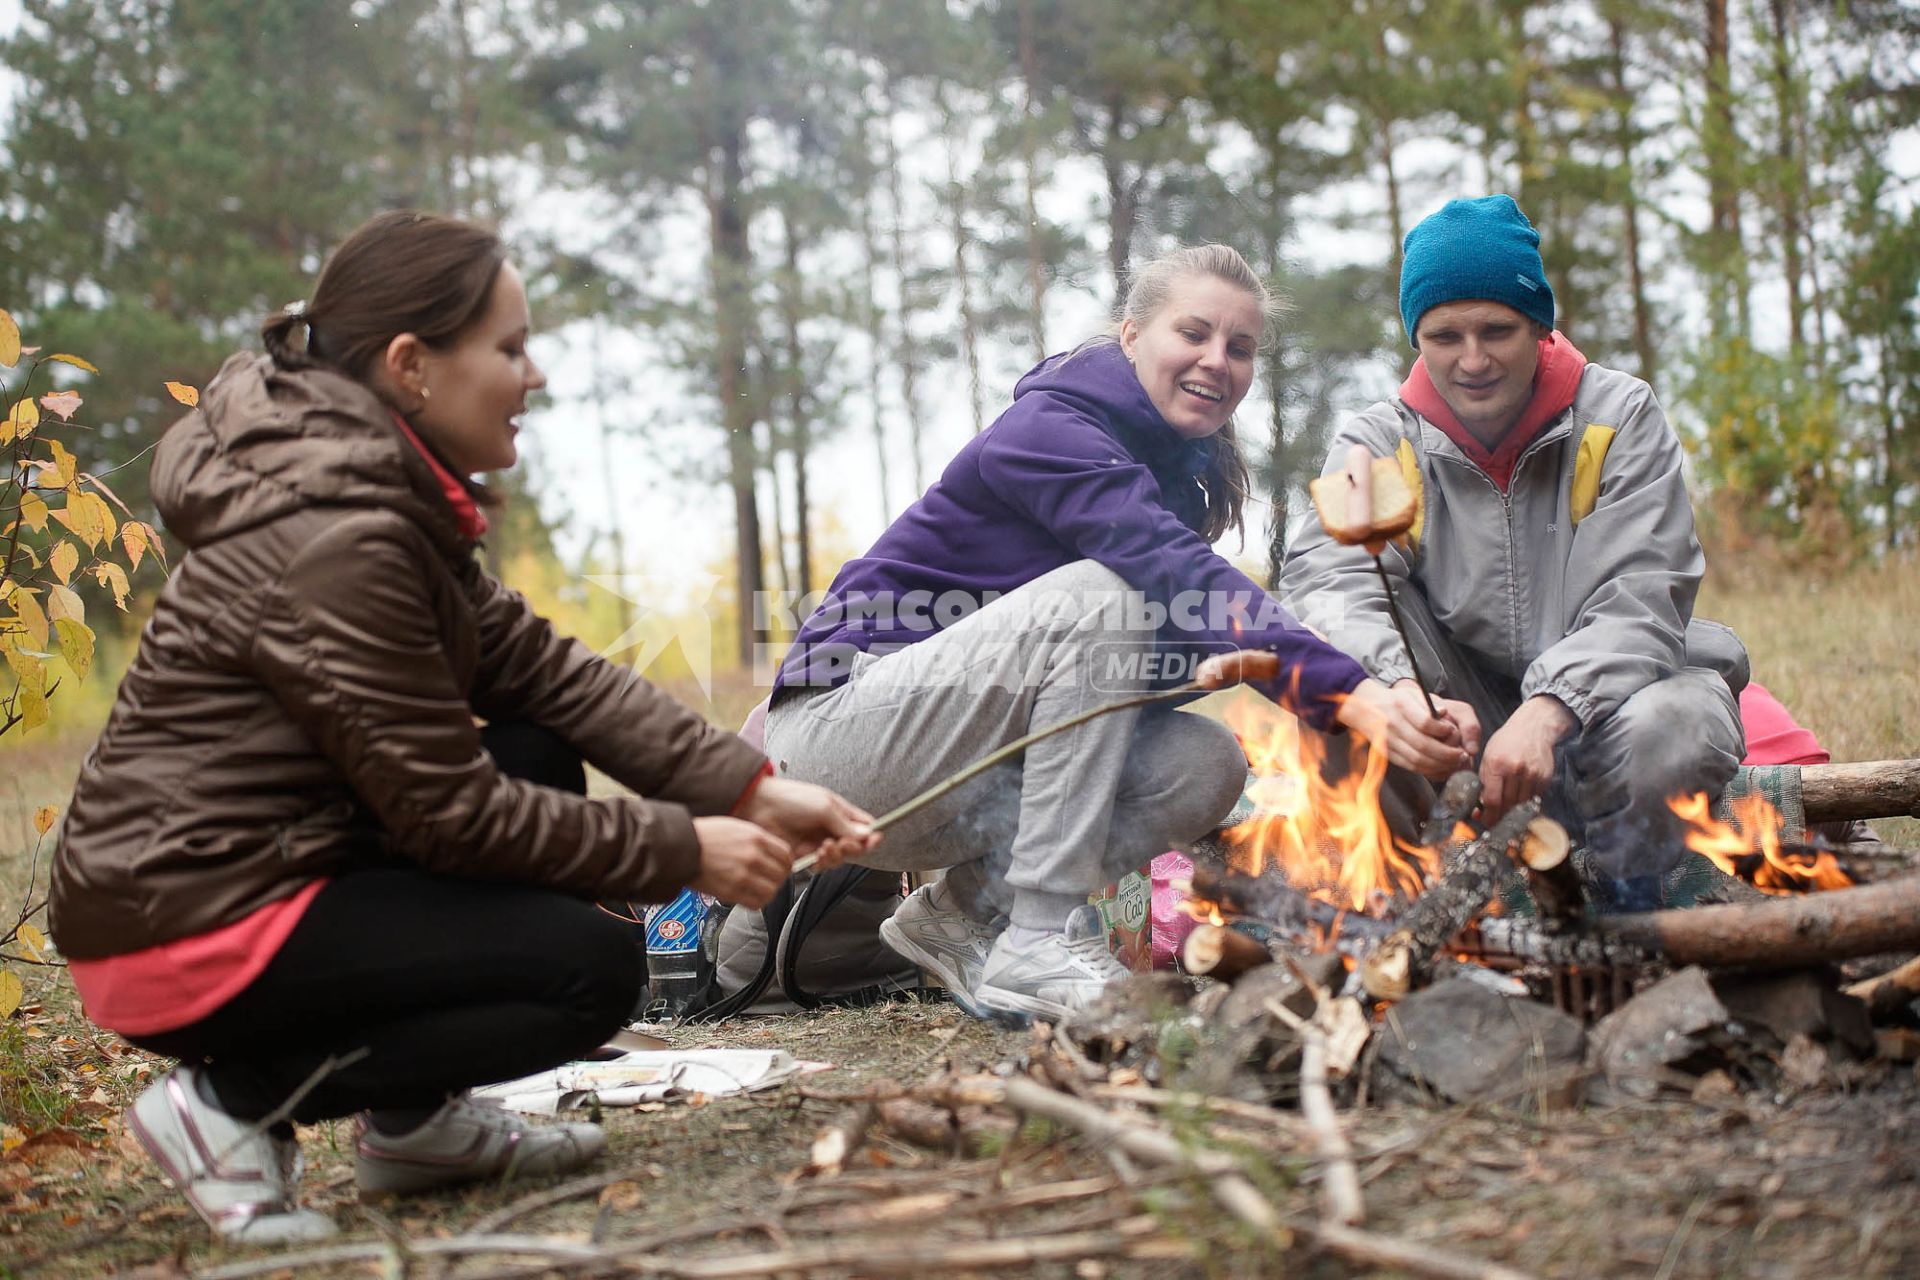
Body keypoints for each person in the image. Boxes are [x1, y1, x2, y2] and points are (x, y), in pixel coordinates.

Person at [47, 211, 876, 1243]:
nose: (533, 377)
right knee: (586, 969)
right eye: (510, 348)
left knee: (533, 740)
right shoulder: (337, 535)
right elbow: (445, 813)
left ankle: (414, 1123)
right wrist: (681, 847)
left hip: (262, 864)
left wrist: (748, 785)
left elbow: (544, 669)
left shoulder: (372, 491)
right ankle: (232, 1100)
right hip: (187, 914)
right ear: (411, 366)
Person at [765, 243, 1470, 1023]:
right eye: (1193, 333)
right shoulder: (1052, 428)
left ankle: (967, 916)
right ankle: (1036, 936)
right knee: (1108, 597)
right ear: (1132, 336)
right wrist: (1351, 697)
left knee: (1205, 762)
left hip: (950, 763)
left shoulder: (1163, 466)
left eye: (1240, 347)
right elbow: (1178, 579)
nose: (1216, 360)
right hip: (846, 739)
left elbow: (1202, 638)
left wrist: (1387, 695)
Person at [1280, 195, 1747, 911]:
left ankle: (1634, 914)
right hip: (1455, 737)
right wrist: (1400, 692)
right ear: (1416, 337)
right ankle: (1405, 919)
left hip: (1604, 718)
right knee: (1343, 704)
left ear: (1538, 324)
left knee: (1680, 721)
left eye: (1496, 329)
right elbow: (1328, 586)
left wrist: (1552, 704)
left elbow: (1645, 593)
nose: (1472, 360)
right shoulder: (1378, 441)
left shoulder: (1619, 416)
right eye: (1444, 335)